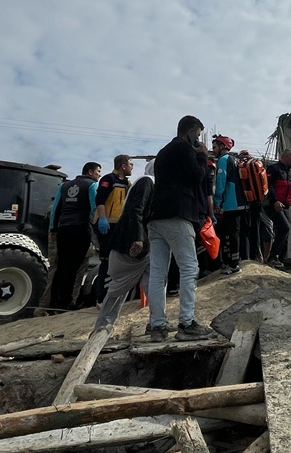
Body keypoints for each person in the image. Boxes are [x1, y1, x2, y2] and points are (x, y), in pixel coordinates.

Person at [146, 115, 216, 342]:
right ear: (190, 131)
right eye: (198, 132)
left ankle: (157, 326)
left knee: (158, 273)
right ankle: (187, 323)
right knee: (188, 267)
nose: (199, 137)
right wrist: (203, 156)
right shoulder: (184, 148)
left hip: (156, 217)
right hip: (178, 214)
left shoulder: (164, 152)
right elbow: (196, 176)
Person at [93, 160, 156, 331]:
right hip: (129, 244)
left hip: (141, 245)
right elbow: (136, 210)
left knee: (154, 284)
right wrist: (138, 238)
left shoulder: (135, 183)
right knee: (118, 288)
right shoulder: (147, 182)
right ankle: (102, 327)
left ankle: (157, 322)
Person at [43, 162, 101, 311]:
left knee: (62, 266)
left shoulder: (64, 186)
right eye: (98, 172)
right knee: (74, 268)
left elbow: (56, 208)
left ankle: (54, 302)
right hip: (80, 229)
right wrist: (98, 230)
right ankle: (67, 303)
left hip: (63, 229)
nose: (99, 175)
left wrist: (53, 229)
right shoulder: (92, 185)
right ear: (90, 172)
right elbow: (95, 208)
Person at [92, 155, 134, 305]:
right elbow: (100, 200)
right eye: (130, 164)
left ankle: (116, 296)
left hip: (120, 226)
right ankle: (102, 299)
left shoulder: (127, 183)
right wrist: (102, 218)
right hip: (107, 225)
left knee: (120, 261)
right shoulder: (108, 179)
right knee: (107, 261)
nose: (132, 166)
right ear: (123, 166)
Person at [211, 135, 245, 275]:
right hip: (237, 203)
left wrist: (217, 201)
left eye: (214, 147)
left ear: (223, 146)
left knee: (231, 234)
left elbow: (220, 183)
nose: (213, 150)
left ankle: (233, 265)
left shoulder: (223, 160)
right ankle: (228, 262)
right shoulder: (233, 160)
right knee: (229, 233)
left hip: (231, 203)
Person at [235, 149, 271, 262]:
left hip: (246, 201)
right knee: (256, 228)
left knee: (245, 229)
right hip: (259, 200)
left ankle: (245, 256)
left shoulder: (240, 165)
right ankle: (255, 255)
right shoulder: (256, 163)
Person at [265, 149, 291, 265]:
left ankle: (281, 260)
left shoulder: (290, 174)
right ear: (286, 157)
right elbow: (269, 187)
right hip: (273, 205)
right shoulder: (274, 169)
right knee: (284, 227)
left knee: (286, 232)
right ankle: (272, 257)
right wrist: (275, 201)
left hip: (286, 206)